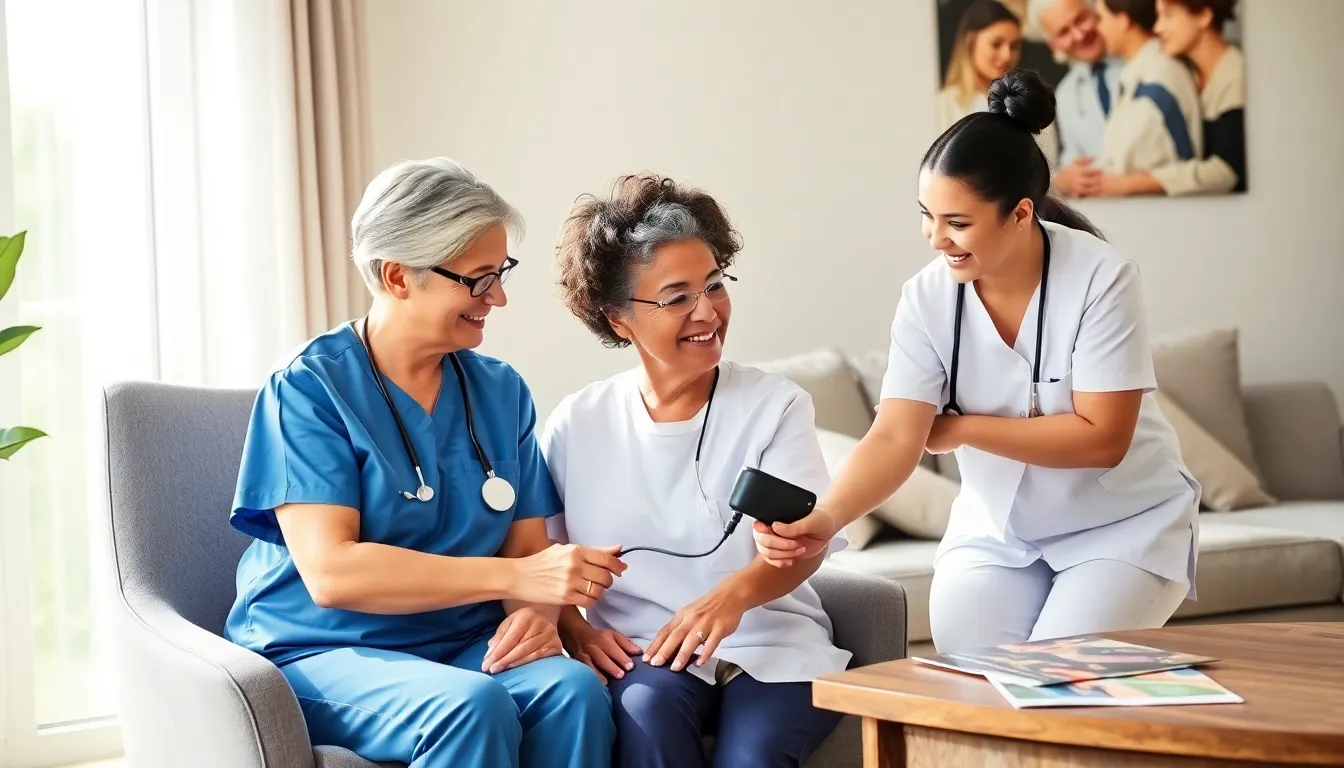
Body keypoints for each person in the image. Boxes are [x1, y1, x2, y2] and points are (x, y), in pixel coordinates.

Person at [752, 70, 1200, 654]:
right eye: (926, 215)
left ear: (1020, 214)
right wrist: (827, 517)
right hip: (998, 532)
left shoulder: (1101, 278)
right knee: (975, 689)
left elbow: (1102, 439)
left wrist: (960, 429)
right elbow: (893, 437)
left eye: (956, 223)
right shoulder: (927, 297)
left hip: (1121, 526)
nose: (935, 239)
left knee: (1062, 681)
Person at [221, 158, 623, 768]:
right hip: (322, 649)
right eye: (479, 279)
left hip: (460, 643)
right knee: (470, 706)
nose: (499, 298)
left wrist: (536, 617)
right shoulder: (308, 388)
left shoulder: (501, 391)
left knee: (572, 692)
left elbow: (525, 552)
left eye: (500, 273)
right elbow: (333, 573)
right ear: (398, 275)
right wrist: (516, 583)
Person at [542, 174, 850, 767]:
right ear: (617, 319)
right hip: (646, 653)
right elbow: (539, 557)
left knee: (751, 759)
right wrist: (576, 632)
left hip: (771, 642)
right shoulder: (578, 422)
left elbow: (808, 546)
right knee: (647, 721)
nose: (707, 311)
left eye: (714, 285)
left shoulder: (775, 405)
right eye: (677, 296)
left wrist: (729, 600)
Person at [1093, 0, 1245, 195]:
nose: (1158, 27)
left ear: (1204, 17)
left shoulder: (1236, 75)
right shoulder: (1192, 74)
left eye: (1169, 16)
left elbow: (1227, 171)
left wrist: (1131, 183)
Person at [1088, 0, 1204, 192]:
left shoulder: (1162, 75)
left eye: (1101, 18)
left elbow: (1182, 160)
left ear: (1123, 20)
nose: (1097, 27)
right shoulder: (1135, 75)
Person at [937, 1, 1061, 163]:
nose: (1006, 56)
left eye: (1014, 46)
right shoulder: (944, 104)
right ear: (971, 43)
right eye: (996, 44)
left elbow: (1050, 162)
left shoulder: (1031, 97)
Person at [1027, 0, 1123, 195]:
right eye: (1064, 32)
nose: (1079, 35)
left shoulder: (1139, 61)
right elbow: (1072, 160)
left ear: (1096, 11)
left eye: (1081, 19)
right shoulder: (1066, 94)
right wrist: (1067, 179)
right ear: (1052, 44)